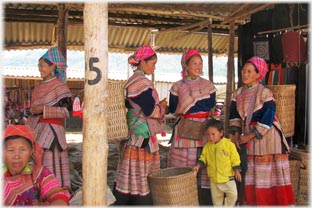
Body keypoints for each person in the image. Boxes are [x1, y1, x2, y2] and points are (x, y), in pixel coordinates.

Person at [229, 56, 295, 205]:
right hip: (249, 136)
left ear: (258, 75)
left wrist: (250, 135)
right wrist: (236, 134)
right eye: (243, 71)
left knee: (270, 173)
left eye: (249, 71)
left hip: (267, 137)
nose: (245, 74)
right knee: (252, 171)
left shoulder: (265, 93)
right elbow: (234, 117)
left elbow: (269, 117)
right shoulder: (237, 94)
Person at [113, 45, 167, 205]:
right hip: (140, 140)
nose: (154, 67)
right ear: (142, 62)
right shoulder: (141, 82)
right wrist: (162, 106)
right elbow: (150, 110)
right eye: (152, 63)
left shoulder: (135, 81)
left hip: (135, 137)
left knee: (129, 178)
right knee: (141, 180)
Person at [167, 49, 217, 205]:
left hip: (204, 130)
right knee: (184, 166)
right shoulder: (177, 86)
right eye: (194, 63)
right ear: (186, 65)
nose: (198, 66)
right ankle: (183, 197)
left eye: (200, 63)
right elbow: (174, 109)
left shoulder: (209, 85)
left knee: (204, 162)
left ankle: (203, 200)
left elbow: (212, 105)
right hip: (185, 130)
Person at [26, 47, 72, 191]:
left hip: (52, 134)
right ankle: (40, 191)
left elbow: (66, 111)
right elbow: (33, 108)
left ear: (52, 66)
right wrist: (34, 111)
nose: (40, 69)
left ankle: (53, 191)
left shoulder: (60, 87)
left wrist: (43, 110)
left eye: (42, 66)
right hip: (37, 131)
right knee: (37, 161)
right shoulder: (38, 86)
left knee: (50, 164)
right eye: (38, 65)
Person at [3, 124, 70, 206]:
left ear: (31, 151)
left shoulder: (39, 174)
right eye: (11, 150)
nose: (17, 155)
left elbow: (57, 194)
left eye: (22, 150)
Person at [193, 118, 241, 206]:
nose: (210, 137)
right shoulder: (207, 147)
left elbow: (235, 158)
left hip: (228, 179)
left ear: (221, 133)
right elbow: (203, 157)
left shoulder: (229, 145)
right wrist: (198, 165)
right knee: (216, 202)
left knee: (233, 196)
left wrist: (237, 170)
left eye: (213, 134)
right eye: (208, 135)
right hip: (214, 180)